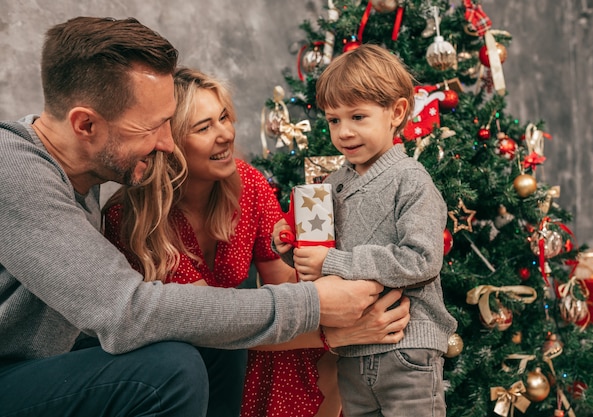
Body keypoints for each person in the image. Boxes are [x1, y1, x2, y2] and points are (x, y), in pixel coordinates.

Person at [0, 17, 405, 417]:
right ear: (85, 124)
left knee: (204, 329)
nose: (166, 143)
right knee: (169, 368)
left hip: (47, 361)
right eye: (154, 127)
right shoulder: (13, 172)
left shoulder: (76, 170)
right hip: (11, 373)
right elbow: (127, 311)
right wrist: (314, 307)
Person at [103, 67, 410, 416]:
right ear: (169, 143)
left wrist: (341, 295)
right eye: (204, 127)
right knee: (319, 336)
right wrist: (337, 332)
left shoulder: (246, 182)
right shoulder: (135, 220)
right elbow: (209, 324)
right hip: (184, 360)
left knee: (320, 342)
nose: (225, 135)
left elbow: (287, 284)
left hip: (245, 335)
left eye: (224, 118)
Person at [273, 44, 458, 417]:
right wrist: (292, 248)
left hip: (407, 348)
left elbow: (421, 260)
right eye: (333, 120)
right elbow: (321, 259)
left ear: (396, 112)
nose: (344, 132)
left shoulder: (410, 180)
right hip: (353, 349)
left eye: (358, 117)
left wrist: (334, 260)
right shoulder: (335, 184)